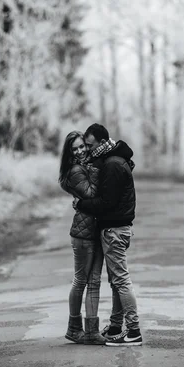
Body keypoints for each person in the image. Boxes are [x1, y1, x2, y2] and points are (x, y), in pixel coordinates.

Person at [74, 123, 143, 347]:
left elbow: (107, 203)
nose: (87, 149)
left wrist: (81, 203)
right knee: (116, 282)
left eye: (90, 145)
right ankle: (115, 326)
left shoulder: (112, 165)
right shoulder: (112, 159)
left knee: (121, 281)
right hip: (116, 228)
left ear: (103, 143)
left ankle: (133, 331)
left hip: (114, 230)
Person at [58, 131, 107, 345]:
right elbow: (92, 194)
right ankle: (74, 328)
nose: (79, 151)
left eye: (81, 147)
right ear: (69, 152)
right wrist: (98, 170)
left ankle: (91, 331)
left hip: (93, 232)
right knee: (80, 281)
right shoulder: (76, 170)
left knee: (94, 282)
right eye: (75, 149)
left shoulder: (84, 166)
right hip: (83, 235)